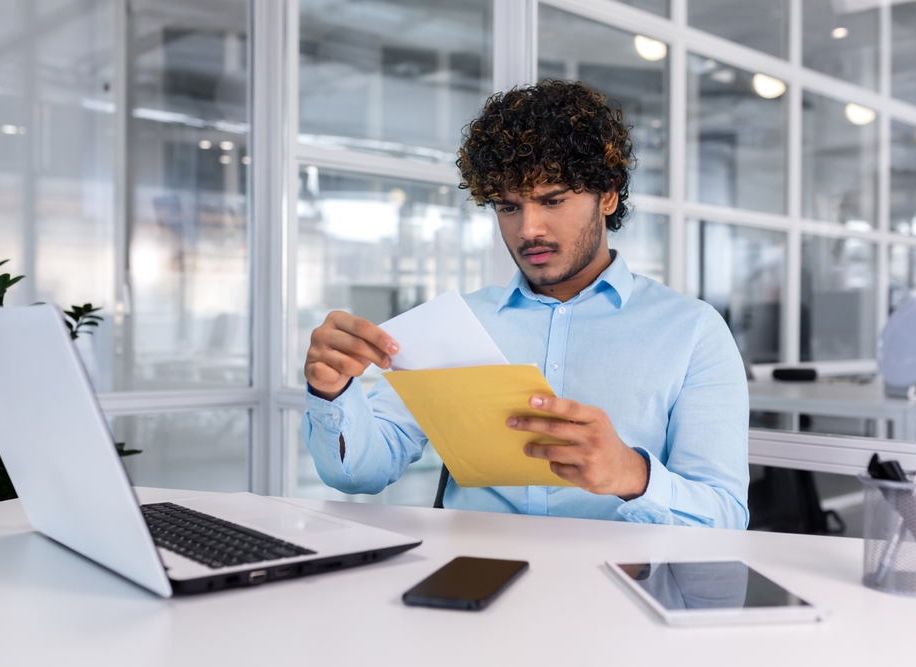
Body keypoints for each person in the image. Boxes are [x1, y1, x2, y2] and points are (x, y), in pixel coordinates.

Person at [303, 80, 749, 528]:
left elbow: (726, 516)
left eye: (551, 200)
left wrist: (631, 473)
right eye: (508, 207)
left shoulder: (692, 331)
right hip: (472, 575)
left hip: (618, 584)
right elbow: (362, 472)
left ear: (608, 195)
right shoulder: (458, 323)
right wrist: (333, 392)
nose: (528, 229)